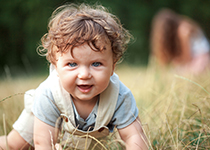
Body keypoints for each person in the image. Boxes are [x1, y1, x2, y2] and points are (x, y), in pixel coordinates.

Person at [0, 3, 148, 150]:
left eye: (96, 64)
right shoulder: (48, 94)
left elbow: (134, 136)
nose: (84, 75)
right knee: (15, 145)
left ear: (113, 67)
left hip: (78, 139)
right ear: (55, 66)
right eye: (72, 64)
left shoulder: (120, 97)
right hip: (41, 121)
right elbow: (43, 144)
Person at [150, 8, 210, 75]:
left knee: (178, 71)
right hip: (199, 58)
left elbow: (187, 59)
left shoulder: (184, 30)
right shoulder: (183, 26)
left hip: (203, 60)